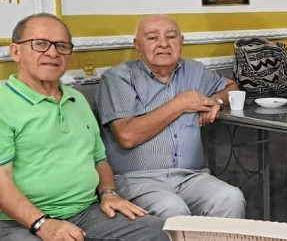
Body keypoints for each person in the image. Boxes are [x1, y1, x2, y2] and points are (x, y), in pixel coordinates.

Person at [0, 13, 167, 240]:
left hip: (86, 212)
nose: (52, 53)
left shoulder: (76, 99)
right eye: (39, 44)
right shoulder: (4, 104)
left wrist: (108, 193)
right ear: (16, 51)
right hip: (18, 222)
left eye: (61, 46)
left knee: (157, 231)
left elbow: (99, 160)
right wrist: (42, 223)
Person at [97, 15, 245, 220]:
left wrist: (215, 102)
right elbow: (126, 135)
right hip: (137, 181)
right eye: (152, 38)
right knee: (171, 208)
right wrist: (180, 104)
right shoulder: (118, 78)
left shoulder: (194, 70)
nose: (163, 44)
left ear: (181, 42)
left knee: (231, 197)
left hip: (190, 177)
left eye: (171, 36)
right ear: (137, 45)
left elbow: (231, 87)